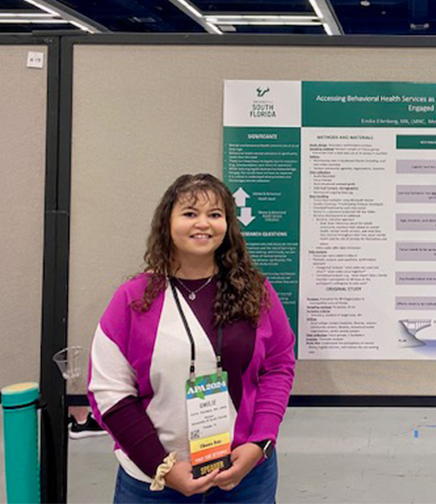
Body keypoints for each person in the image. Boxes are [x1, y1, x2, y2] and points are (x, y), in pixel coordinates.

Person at [87, 174, 295, 503]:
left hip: (244, 476)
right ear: (166, 223)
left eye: (215, 214)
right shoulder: (132, 299)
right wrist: (163, 468)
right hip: (153, 482)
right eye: (189, 213)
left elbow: (279, 366)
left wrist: (260, 443)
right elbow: (110, 393)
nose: (203, 223)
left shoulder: (256, 292)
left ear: (228, 225)